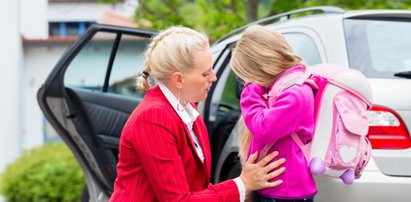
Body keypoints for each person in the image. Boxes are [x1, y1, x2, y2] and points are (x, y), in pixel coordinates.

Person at [109, 26, 287, 202]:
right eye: (205, 73)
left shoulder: (189, 108)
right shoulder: (153, 118)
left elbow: (197, 188)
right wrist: (242, 184)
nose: (214, 77)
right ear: (179, 79)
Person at [230, 25, 317, 202]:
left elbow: (263, 128)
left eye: (248, 75)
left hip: (284, 192)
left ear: (258, 68)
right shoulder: (283, 89)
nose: (247, 81)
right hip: (276, 187)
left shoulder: (295, 93)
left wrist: (250, 90)